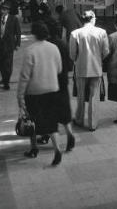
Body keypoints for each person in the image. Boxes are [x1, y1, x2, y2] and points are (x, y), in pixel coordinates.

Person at [17, 21, 63, 166]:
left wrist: (20, 95)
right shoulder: (54, 48)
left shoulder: (30, 51)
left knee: (32, 122)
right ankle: (57, 150)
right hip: (52, 90)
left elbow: (25, 76)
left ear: (34, 34)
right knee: (51, 122)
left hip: (34, 92)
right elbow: (59, 69)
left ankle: (34, 149)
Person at [37, 21, 76, 151]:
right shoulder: (63, 44)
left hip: (50, 82)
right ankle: (69, 133)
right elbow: (70, 64)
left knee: (48, 111)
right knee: (64, 110)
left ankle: (46, 136)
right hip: (63, 81)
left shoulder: (47, 46)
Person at [69, 10, 110, 131]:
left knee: (81, 95)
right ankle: (92, 124)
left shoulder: (75, 33)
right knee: (94, 96)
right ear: (92, 19)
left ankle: (79, 119)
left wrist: (77, 60)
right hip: (96, 68)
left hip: (81, 68)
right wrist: (99, 59)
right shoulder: (101, 32)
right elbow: (106, 51)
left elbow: (72, 54)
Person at [0, 1, 21, 90]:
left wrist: (17, 44)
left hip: (9, 45)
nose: (2, 11)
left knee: (8, 64)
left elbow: (18, 32)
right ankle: (4, 78)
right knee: (1, 63)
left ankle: (6, 82)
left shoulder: (13, 19)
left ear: (8, 11)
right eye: (2, 9)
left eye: (5, 9)